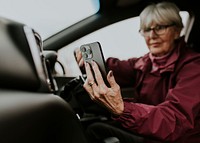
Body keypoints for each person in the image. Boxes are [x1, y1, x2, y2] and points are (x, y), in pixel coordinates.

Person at [75, 1, 200, 143]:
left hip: (174, 138)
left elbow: (174, 121)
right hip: (150, 131)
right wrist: (90, 63)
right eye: (146, 29)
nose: (152, 35)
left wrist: (123, 109)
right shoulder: (147, 62)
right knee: (93, 127)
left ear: (177, 30)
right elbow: (118, 69)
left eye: (160, 27)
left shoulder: (194, 68)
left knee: (95, 130)